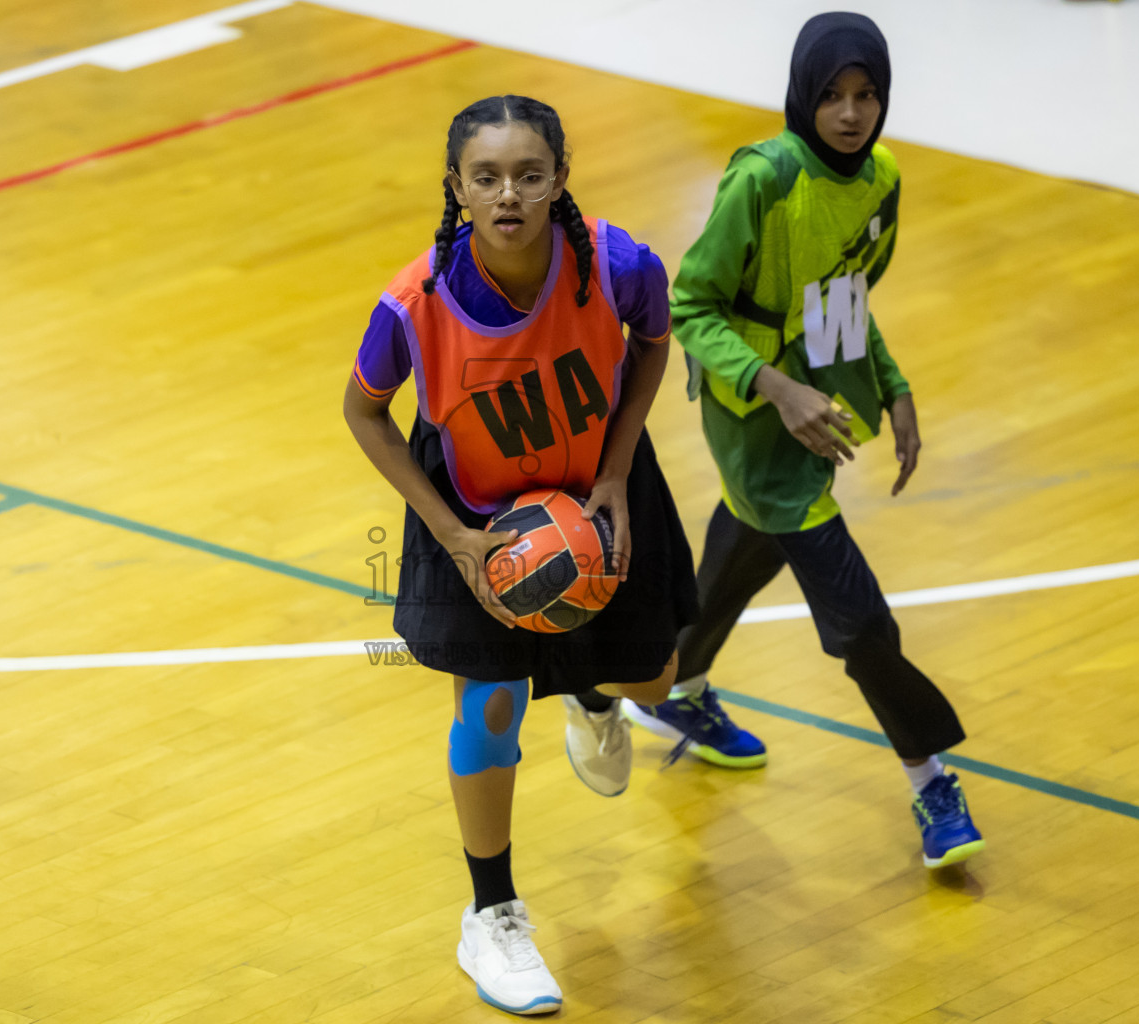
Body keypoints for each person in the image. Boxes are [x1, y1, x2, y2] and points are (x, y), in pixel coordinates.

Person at [343, 94, 699, 1015]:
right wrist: (450, 535)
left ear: (559, 180)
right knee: (491, 707)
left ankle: (593, 692)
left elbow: (657, 341)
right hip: (479, 516)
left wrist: (617, 471)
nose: (509, 194)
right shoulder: (412, 303)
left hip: (598, 491)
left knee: (658, 679)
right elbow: (363, 412)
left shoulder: (618, 263)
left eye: (530, 175)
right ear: (457, 187)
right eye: (488, 177)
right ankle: (491, 914)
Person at [628, 12, 985, 869]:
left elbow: (847, 293)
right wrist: (778, 389)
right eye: (832, 95)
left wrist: (891, 383)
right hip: (753, 404)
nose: (852, 113)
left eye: (867, 96)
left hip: (817, 392)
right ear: (802, 95)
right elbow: (689, 308)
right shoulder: (763, 178)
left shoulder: (882, 177)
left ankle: (667, 686)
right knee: (858, 622)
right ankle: (930, 779)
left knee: (749, 541)